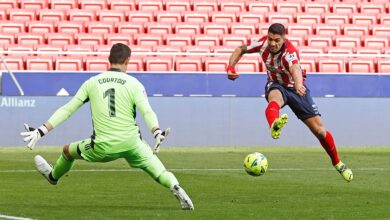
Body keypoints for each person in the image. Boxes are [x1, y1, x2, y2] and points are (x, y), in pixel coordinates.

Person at [20, 43, 194, 210]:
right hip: (132, 143)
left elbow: (68, 109)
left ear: (108, 59)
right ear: (128, 61)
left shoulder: (93, 82)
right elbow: (147, 111)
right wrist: (156, 131)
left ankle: (52, 177)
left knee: (67, 151)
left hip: (103, 146)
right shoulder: (134, 84)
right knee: (159, 171)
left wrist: (42, 130)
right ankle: (175, 186)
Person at [226, 23, 353, 182]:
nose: (272, 44)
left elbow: (295, 69)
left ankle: (338, 163)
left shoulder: (290, 52)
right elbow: (240, 49)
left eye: (277, 40)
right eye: (270, 39)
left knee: (320, 131)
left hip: (296, 89)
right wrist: (230, 67)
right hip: (276, 85)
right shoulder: (262, 44)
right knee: (274, 98)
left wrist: (299, 84)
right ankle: (274, 125)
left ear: (284, 38)